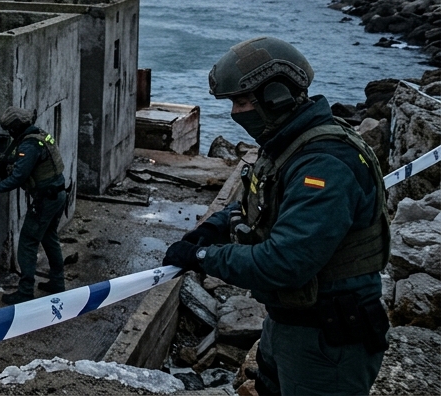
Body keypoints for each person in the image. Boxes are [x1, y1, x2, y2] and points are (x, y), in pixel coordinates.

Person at [162, 37, 390, 396]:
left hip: (328, 338)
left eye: (241, 101)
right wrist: (212, 227)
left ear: (275, 96)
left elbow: (285, 261)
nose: (236, 113)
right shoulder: (287, 146)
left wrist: (204, 258)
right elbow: (260, 205)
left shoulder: (324, 163)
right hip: (292, 323)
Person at [0, 106, 68, 305]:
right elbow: (25, 159)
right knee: (49, 237)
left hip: (45, 199)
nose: (9, 132)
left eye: (10, 128)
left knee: (27, 243)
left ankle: (25, 291)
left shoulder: (29, 145)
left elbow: (18, 177)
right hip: (57, 195)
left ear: (16, 127)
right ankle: (57, 282)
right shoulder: (38, 135)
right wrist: (7, 159)